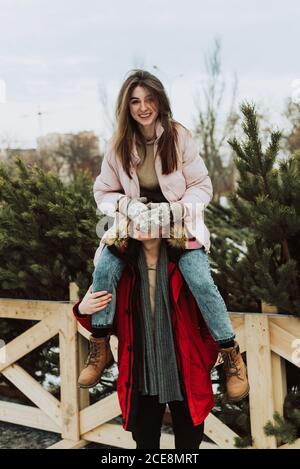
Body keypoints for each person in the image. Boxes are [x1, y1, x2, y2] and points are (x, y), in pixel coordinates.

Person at [77, 68, 249, 402]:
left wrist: (176, 210)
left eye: (149, 99)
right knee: (105, 269)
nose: (143, 107)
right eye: (135, 101)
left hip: (177, 221)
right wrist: (127, 205)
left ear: (160, 100)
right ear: (127, 107)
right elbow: (103, 192)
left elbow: (202, 186)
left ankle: (230, 356)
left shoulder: (178, 136)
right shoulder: (118, 146)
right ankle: (99, 347)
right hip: (134, 221)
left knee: (199, 278)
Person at [73, 230, 220, 449]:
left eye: (153, 214)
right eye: (138, 216)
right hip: (140, 371)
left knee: (189, 444)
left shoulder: (186, 262)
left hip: (186, 370)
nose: (144, 222)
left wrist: (203, 358)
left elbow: (211, 313)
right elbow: (105, 323)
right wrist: (84, 310)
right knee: (145, 442)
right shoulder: (119, 267)